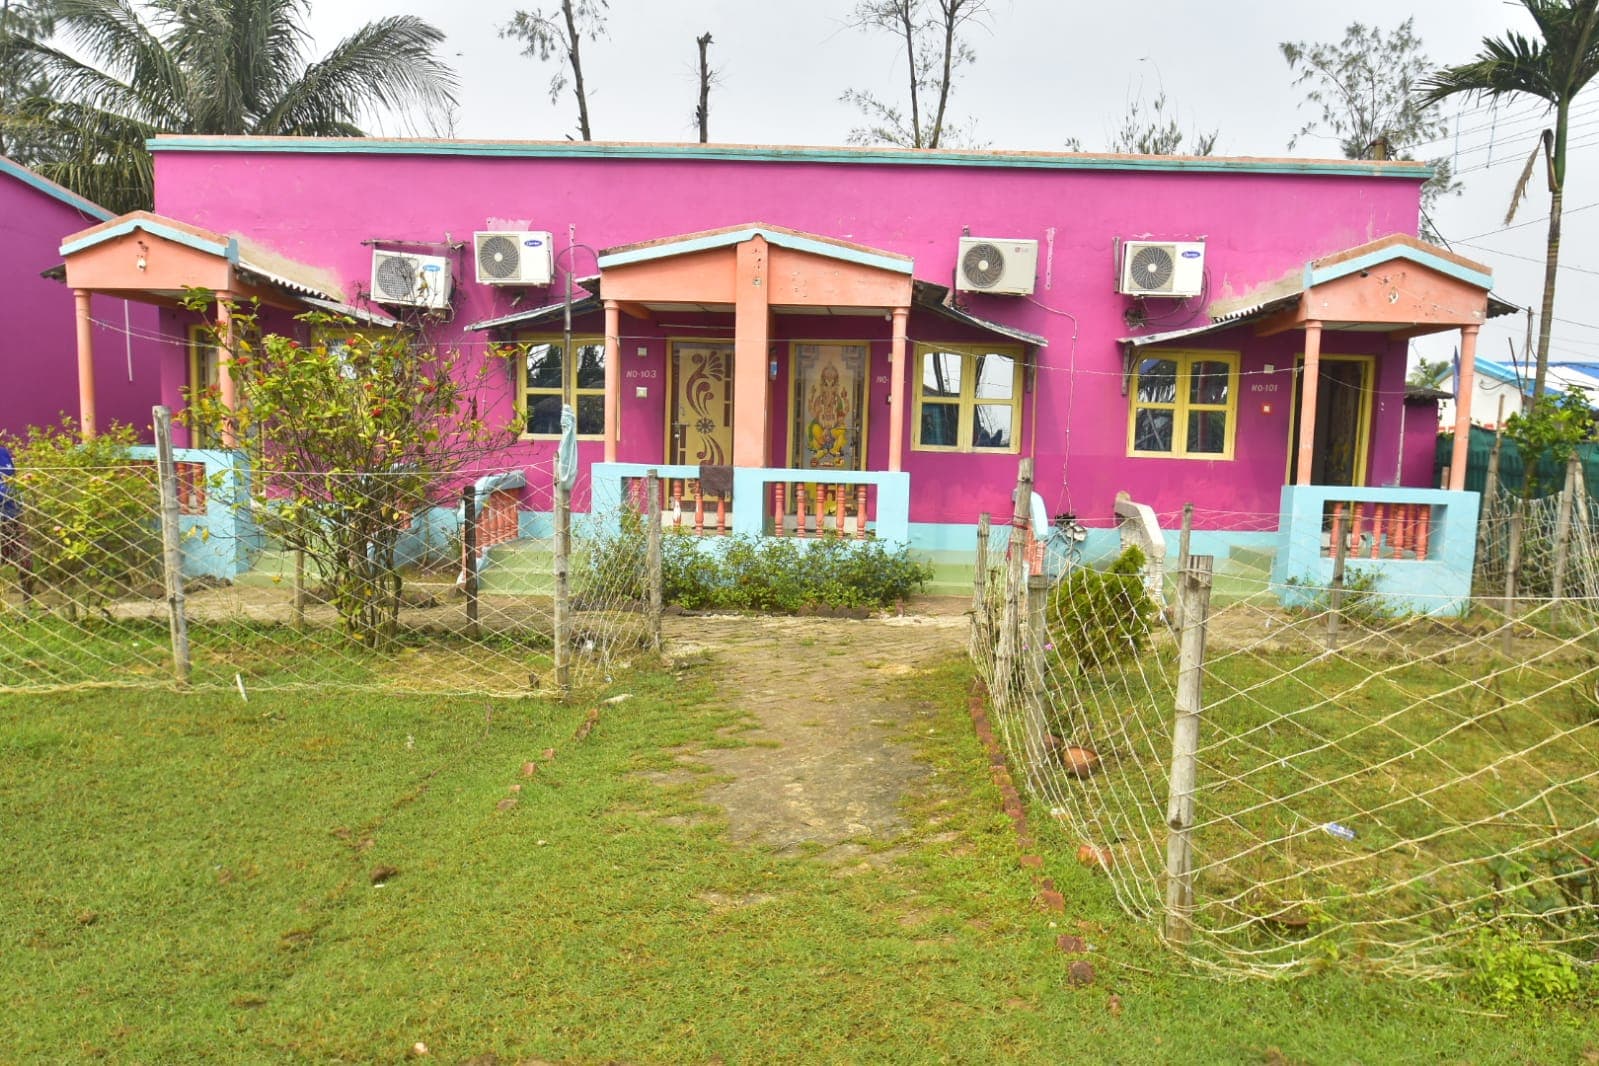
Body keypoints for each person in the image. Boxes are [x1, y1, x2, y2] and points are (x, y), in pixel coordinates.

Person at [0, 444, 33, 604]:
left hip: (12, 516)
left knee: (26, 560)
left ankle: (29, 606)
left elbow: (13, 482)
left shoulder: (3, 452)